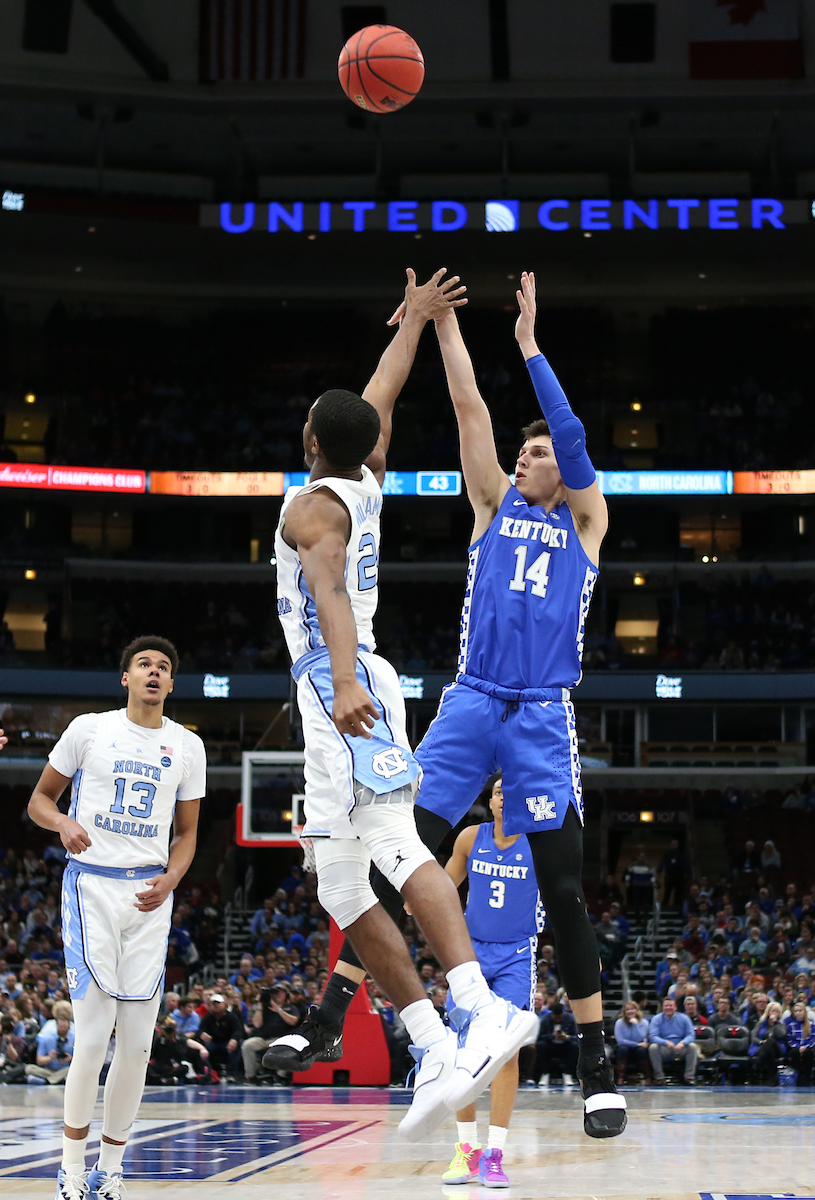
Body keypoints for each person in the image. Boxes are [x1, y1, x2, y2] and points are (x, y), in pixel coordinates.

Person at [268, 271, 626, 1140]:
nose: (525, 458)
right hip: (470, 700)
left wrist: (530, 347)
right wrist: (443, 329)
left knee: (563, 887)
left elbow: (572, 438)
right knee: (401, 853)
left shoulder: (585, 522)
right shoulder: (492, 504)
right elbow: (467, 407)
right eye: (522, 451)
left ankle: (596, 1066)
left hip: (540, 711)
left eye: (537, 453)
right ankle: (332, 1012)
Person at [26, 636, 206, 1200]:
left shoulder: (188, 746)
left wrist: (173, 877)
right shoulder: (89, 730)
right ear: (125, 678)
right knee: (91, 1037)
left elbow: (187, 834)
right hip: (92, 888)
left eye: (164, 667)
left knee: (136, 1047)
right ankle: (71, 1168)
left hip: (150, 895)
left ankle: (111, 1170)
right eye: (144, 664)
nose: (154, 672)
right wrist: (62, 823)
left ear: (171, 683)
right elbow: (39, 801)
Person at [440, 774, 544, 1188]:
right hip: (470, 953)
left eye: (512, 792)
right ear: (491, 800)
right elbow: (443, 887)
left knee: (506, 1051)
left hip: (517, 954)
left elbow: (565, 896)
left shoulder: (540, 844)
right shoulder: (470, 838)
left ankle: (495, 1154)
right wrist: (409, 899)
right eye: (499, 792)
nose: (504, 798)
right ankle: (466, 1151)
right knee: (462, 1050)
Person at [241, 983, 300, 1083]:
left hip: (281, 1038)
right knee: (247, 1045)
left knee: (288, 1046)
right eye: (275, 993)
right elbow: (257, 1024)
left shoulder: (290, 1008)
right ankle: (251, 1076)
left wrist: (279, 1010)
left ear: (286, 994)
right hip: (264, 1038)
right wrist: (260, 1005)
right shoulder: (265, 1008)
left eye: (281, 992)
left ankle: (280, 1076)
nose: (278, 995)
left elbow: (293, 1021)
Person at [648, 997, 698, 1085]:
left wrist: (683, 1043)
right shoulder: (656, 1019)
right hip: (665, 1048)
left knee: (693, 1047)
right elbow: (653, 1036)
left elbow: (691, 1035)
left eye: (670, 1005)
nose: (668, 1008)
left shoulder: (684, 1018)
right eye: (666, 1006)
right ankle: (659, 1078)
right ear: (663, 1007)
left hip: (681, 1048)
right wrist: (665, 1042)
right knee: (653, 1047)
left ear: (675, 1007)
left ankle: (689, 1078)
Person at [613, 1001, 650, 1084]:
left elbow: (640, 1038)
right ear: (624, 1012)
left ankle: (647, 1075)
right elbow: (620, 1041)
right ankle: (621, 1076)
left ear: (637, 1010)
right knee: (623, 1049)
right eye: (627, 1010)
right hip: (625, 1047)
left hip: (638, 1047)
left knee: (641, 1050)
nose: (630, 1011)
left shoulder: (644, 1022)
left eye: (632, 1009)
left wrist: (635, 1025)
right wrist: (636, 1044)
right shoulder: (619, 1023)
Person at [784, 999, 814, 1085]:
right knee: (794, 1052)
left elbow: (813, 1038)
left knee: (808, 1053)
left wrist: (806, 1046)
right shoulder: (791, 1026)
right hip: (796, 1047)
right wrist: (798, 1047)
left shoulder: (811, 1025)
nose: (798, 1013)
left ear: (804, 1012)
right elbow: (790, 1040)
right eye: (796, 1011)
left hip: (808, 1047)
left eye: (800, 1010)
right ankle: (798, 1076)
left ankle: (807, 1077)